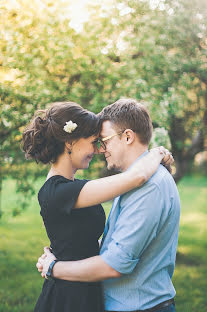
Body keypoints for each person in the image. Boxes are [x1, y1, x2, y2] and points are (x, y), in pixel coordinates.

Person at [36, 99, 180, 312]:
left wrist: (54, 267)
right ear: (69, 142)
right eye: (95, 142)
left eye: (103, 140)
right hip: (75, 297)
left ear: (128, 137)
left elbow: (115, 262)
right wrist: (156, 153)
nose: (99, 150)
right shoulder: (128, 181)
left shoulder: (147, 185)